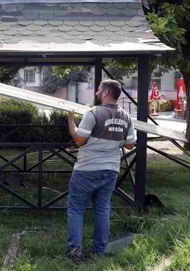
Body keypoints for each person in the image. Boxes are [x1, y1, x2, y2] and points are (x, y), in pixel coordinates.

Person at [66, 80, 137, 263]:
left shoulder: (93, 113)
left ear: (105, 92)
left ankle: (75, 254)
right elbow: (130, 145)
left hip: (87, 169)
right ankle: (98, 253)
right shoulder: (126, 117)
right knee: (102, 209)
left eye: (98, 89)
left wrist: (71, 121)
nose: (97, 92)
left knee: (76, 209)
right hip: (111, 170)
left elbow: (79, 141)